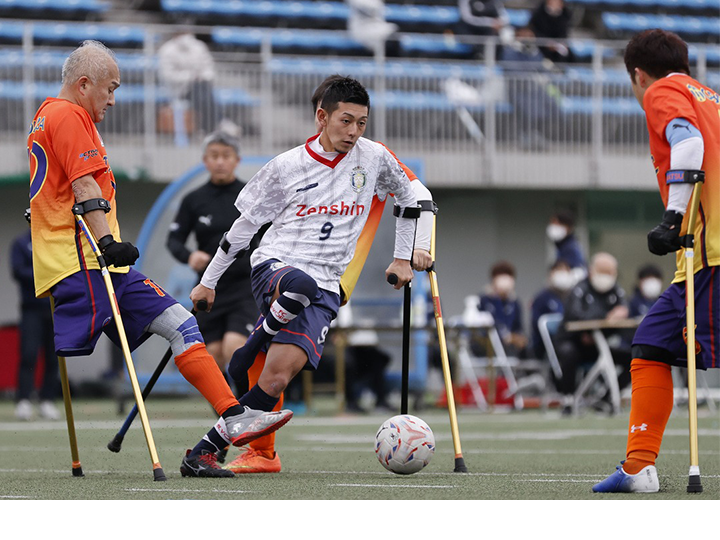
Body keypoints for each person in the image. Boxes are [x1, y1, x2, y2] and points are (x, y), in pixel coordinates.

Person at [26, 40, 291, 479]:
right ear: (84, 83)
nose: (113, 99)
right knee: (177, 325)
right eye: (109, 89)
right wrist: (109, 242)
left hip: (81, 259)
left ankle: (231, 416)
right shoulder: (70, 115)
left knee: (178, 322)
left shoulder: (45, 113)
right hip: (84, 260)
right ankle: (231, 416)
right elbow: (84, 187)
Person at [188, 76, 433, 476]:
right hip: (276, 266)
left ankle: (203, 452)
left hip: (326, 286)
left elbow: (412, 197)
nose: (354, 132)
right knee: (298, 284)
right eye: (346, 121)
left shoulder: (373, 157)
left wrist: (403, 257)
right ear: (322, 117)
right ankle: (256, 342)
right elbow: (242, 229)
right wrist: (208, 281)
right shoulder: (285, 166)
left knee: (276, 377)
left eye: (362, 123)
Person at [594, 29, 720, 493]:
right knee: (651, 345)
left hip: (713, 252)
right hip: (700, 259)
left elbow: (687, 146)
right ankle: (639, 467)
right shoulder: (710, 96)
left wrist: (671, 219)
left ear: (638, 75)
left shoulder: (663, 90)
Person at [166, 130, 265, 393]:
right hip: (209, 288)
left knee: (235, 347)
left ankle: (247, 408)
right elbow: (173, 240)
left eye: (226, 156)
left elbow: (271, 236)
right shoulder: (193, 200)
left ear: (237, 160)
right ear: (205, 160)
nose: (220, 161)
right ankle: (228, 417)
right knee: (212, 355)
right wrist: (190, 256)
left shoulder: (250, 196)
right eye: (214, 156)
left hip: (244, 286)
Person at [554, 252, 632, 414]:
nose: (605, 276)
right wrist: (606, 317)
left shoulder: (616, 292)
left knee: (633, 358)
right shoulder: (579, 289)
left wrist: (620, 315)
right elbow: (574, 315)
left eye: (609, 272)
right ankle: (568, 399)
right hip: (574, 342)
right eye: (602, 271)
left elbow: (623, 316)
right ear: (591, 270)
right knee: (569, 354)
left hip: (598, 345)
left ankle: (607, 398)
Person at [10, 228, 60, 421]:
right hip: (31, 309)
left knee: (54, 356)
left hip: (54, 309)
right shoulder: (21, 243)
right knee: (29, 354)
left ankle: (47, 400)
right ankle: (24, 400)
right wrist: (43, 275)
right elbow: (17, 270)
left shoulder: (53, 241)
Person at [157, 31, 218, 136]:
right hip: (178, 89)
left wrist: (201, 76)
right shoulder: (167, 50)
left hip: (201, 85)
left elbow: (209, 68)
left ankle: (209, 127)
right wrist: (190, 77)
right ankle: (213, 126)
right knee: (203, 94)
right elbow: (168, 75)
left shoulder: (199, 46)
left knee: (204, 93)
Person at [478, 261, 528, 358]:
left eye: (508, 276)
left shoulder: (514, 302)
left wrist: (517, 338)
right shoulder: (484, 300)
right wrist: (506, 337)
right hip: (488, 344)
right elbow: (484, 326)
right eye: (501, 276)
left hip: (511, 344)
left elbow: (518, 327)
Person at [530, 259, 574, 360]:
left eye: (566, 270)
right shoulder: (542, 298)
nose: (563, 275)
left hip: (570, 341)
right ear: (551, 274)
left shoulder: (573, 296)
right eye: (559, 270)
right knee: (568, 352)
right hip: (547, 346)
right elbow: (536, 325)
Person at [547, 209, 586, 285]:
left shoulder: (571, 248)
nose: (553, 226)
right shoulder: (562, 245)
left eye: (556, 223)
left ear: (568, 227)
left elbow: (579, 273)